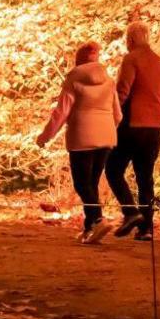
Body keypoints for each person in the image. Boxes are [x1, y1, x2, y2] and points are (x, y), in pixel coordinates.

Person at [36, 41, 121, 244]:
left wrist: (45, 136)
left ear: (79, 59)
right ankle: (89, 227)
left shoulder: (73, 78)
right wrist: (108, 130)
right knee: (91, 183)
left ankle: (98, 220)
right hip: (106, 138)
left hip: (82, 137)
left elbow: (62, 112)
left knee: (82, 183)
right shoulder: (109, 81)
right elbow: (118, 114)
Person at [107, 21, 160, 240]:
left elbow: (122, 92)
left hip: (132, 125)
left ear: (131, 39)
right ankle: (147, 229)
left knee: (113, 169)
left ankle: (130, 212)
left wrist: (111, 115)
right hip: (155, 128)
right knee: (145, 177)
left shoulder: (131, 58)